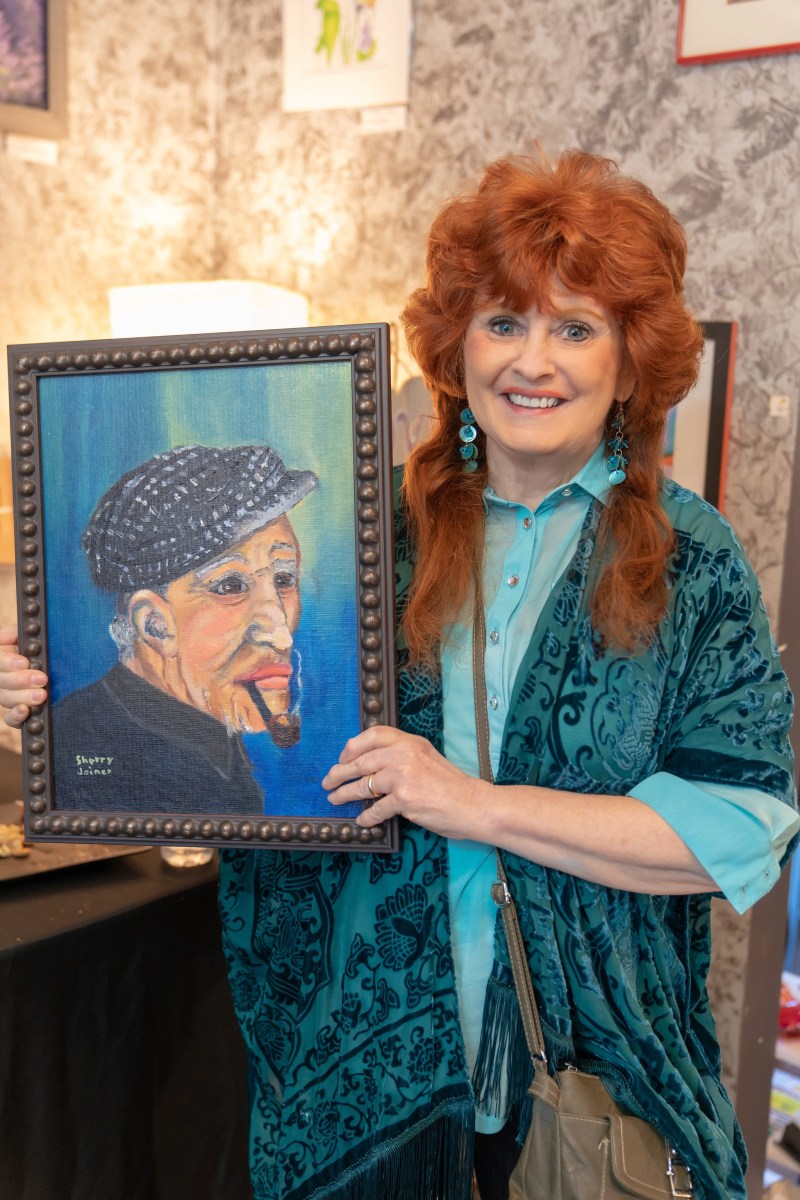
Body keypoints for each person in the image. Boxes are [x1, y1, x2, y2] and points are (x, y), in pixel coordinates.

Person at [1, 150, 796, 1200]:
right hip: (354, 1088)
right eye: (503, 322)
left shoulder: (690, 560)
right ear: (458, 344)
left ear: (629, 355)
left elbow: (739, 827)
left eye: (575, 327)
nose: (533, 362)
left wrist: (474, 805)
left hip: (593, 1085)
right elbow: (214, 720)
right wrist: (53, 708)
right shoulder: (363, 533)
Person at [45, 443, 317, 812]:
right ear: (154, 625)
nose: (281, 633)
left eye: (284, 579)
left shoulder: (204, 740)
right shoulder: (87, 759)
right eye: (230, 586)